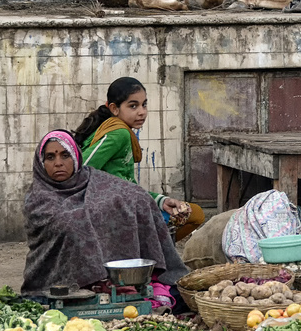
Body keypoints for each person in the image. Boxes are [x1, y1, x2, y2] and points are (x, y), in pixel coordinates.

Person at [21, 130, 188, 299]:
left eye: (65, 155)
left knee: (135, 200)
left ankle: (120, 281)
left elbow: (131, 192)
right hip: (56, 284)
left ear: (76, 158)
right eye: (50, 157)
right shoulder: (37, 199)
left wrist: (159, 201)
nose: (58, 163)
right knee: (74, 222)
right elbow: (64, 224)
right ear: (41, 162)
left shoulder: (92, 178)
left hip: (117, 276)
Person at [75, 77, 205, 241]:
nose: (142, 111)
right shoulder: (119, 133)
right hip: (117, 211)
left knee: (191, 213)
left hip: (128, 203)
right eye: (133, 106)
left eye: (144, 104)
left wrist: (161, 200)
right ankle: (152, 249)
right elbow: (80, 169)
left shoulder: (119, 130)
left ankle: (151, 248)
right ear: (114, 108)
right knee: (196, 215)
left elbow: (128, 184)